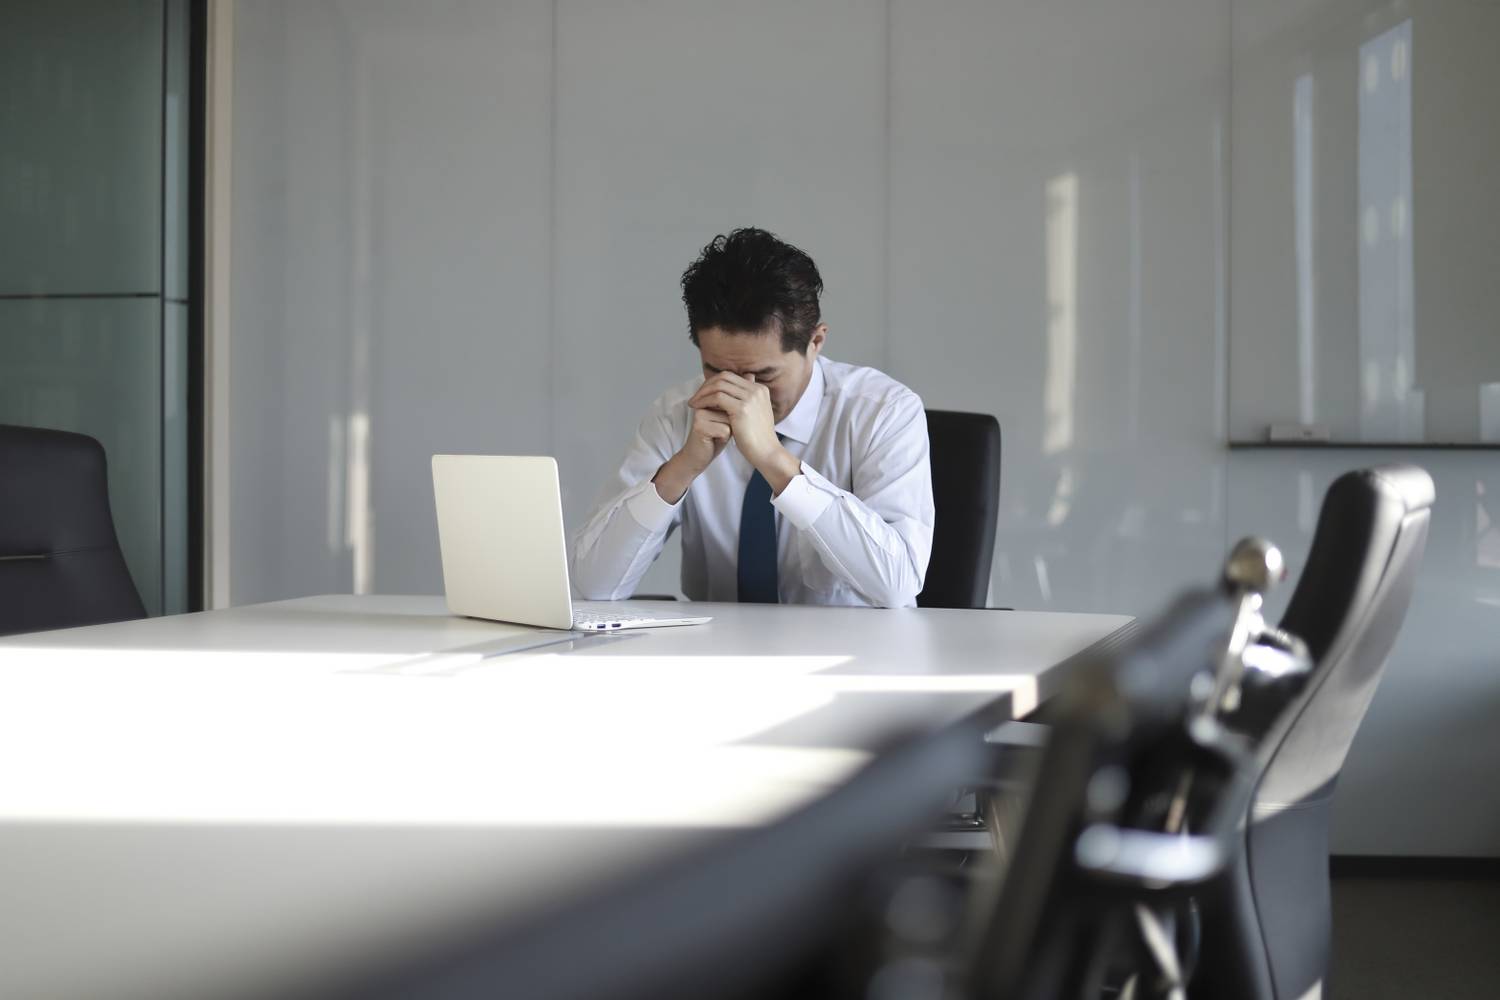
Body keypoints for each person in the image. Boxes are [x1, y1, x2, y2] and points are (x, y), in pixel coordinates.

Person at [571, 228, 934, 608]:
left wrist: (775, 462)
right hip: (716, 655)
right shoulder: (677, 414)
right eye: (716, 371)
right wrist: (680, 470)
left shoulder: (882, 411)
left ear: (816, 343)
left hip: (856, 656)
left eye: (764, 376)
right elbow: (591, 587)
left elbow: (898, 585)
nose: (742, 395)